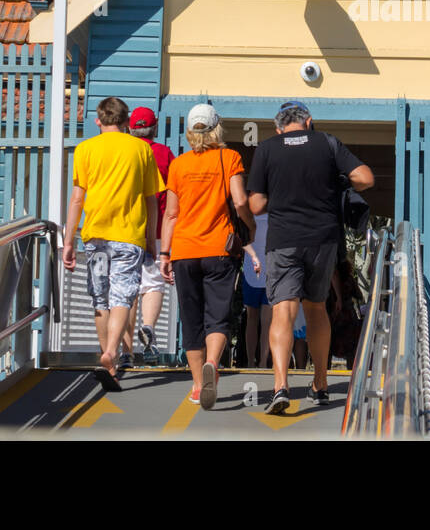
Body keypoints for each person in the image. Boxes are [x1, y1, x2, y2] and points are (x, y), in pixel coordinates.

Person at [247, 100, 373, 414]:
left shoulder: (266, 148)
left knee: (283, 311)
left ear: (278, 127)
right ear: (309, 121)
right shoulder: (327, 142)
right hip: (323, 239)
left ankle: (280, 386)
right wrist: (337, 182)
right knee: (316, 309)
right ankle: (320, 383)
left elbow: (256, 205)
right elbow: (366, 178)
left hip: (284, 240)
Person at [62, 96, 165, 390]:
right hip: (129, 235)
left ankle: (106, 356)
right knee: (123, 296)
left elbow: (77, 198)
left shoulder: (85, 149)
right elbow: (151, 201)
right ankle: (112, 354)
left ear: (98, 120)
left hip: (95, 236)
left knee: (100, 298)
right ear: (126, 122)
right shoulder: (140, 149)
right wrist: (151, 240)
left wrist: (69, 241)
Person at [159, 103, 255, 409]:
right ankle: (213, 361)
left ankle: (199, 386)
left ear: (190, 132)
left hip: (184, 251)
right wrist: (250, 227)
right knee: (218, 314)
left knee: (191, 319)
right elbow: (239, 201)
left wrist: (164, 253)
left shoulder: (178, 165)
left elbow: (171, 215)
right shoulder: (230, 158)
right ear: (217, 129)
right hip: (219, 250)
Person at [125, 106, 174, 363]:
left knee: (127, 290)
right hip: (157, 231)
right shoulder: (165, 154)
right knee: (153, 285)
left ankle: (125, 350)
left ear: (130, 128)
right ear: (154, 128)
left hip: (125, 230)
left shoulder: (125, 152)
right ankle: (149, 329)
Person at [242, 211, 272, 368]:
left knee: (264, 321)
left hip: (269, 271)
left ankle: (262, 362)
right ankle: (251, 361)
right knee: (252, 318)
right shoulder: (248, 211)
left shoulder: (272, 210)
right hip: (251, 270)